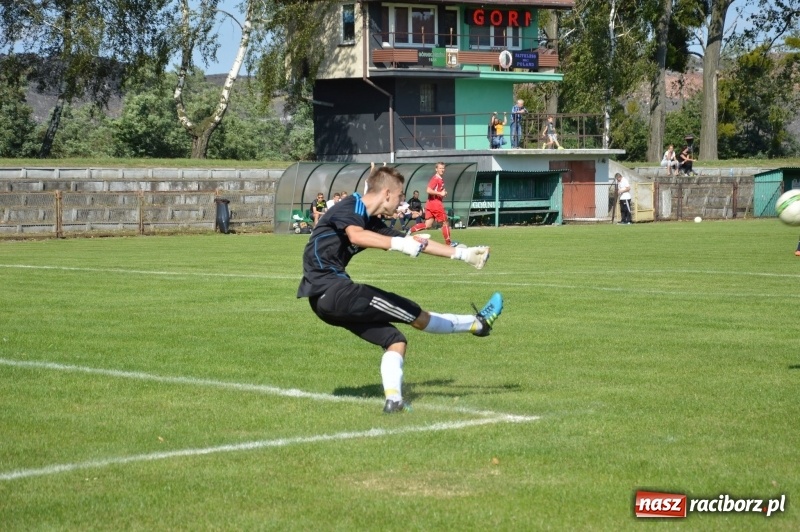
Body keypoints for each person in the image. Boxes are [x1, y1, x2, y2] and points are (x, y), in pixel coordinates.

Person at [296, 165, 503, 414]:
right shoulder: (351, 206)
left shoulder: (370, 221)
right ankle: (478, 324)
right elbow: (355, 236)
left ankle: (394, 400)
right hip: (334, 292)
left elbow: (414, 242)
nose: (401, 202)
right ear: (386, 194)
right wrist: (396, 244)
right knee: (417, 316)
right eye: (400, 196)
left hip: (325, 301)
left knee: (395, 340)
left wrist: (463, 254)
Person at [408, 162, 458, 247]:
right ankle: (449, 244)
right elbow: (428, 190)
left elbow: (436, 191)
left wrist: (443, 193)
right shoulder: (436, 179)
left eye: (443, 168)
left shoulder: (440, 179)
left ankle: (409, 231)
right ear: (436, 169)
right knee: (445, 222)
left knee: (428, 225)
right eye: (440, 168)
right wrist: (439, 193)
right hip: (435, 204)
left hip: (430, 204)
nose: (442, 170)